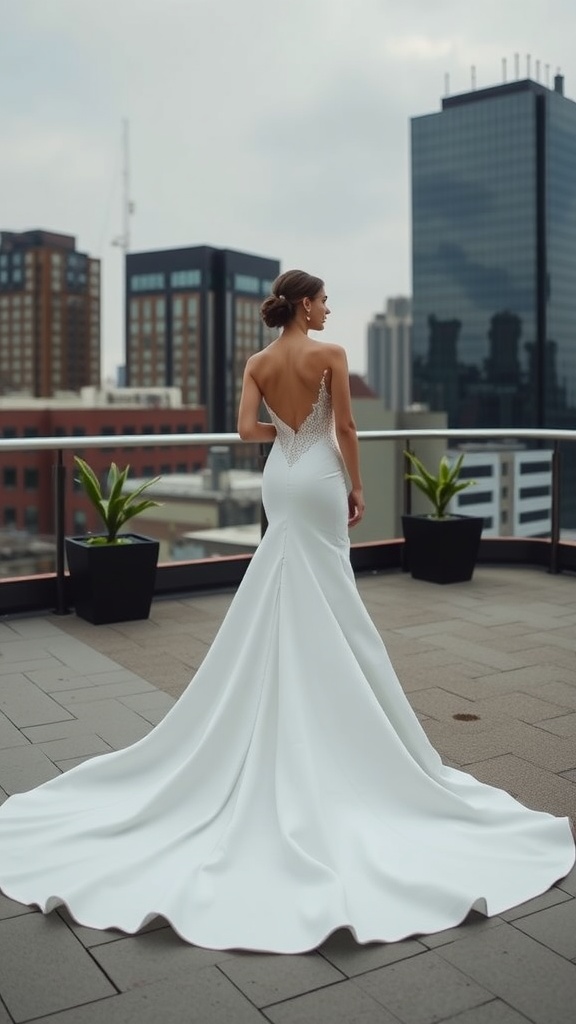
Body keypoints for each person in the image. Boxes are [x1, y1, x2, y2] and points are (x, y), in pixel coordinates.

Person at [0, 270, 573, 954]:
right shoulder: (328, 357)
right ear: (305, 304)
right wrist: (356, 485)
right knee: (333, 590)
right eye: (325, 299)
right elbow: (349, 426)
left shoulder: (259, 362)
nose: (329, 308)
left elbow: (246, 428)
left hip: (282, 475)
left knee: (281, 578)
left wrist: (283, 431)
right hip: (324, 478)